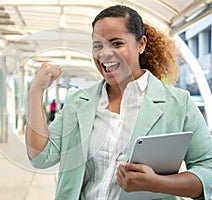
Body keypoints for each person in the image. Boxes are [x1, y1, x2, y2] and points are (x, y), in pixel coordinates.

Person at [25, 5, 212, 200]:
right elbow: (41, 157)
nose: (104, 54)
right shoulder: (78, 102)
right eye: (97, 45)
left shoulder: (178, 104)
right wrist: (35, 92)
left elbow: (208, 170)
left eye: (116, 43)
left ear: (141, 45)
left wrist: (158, 184)